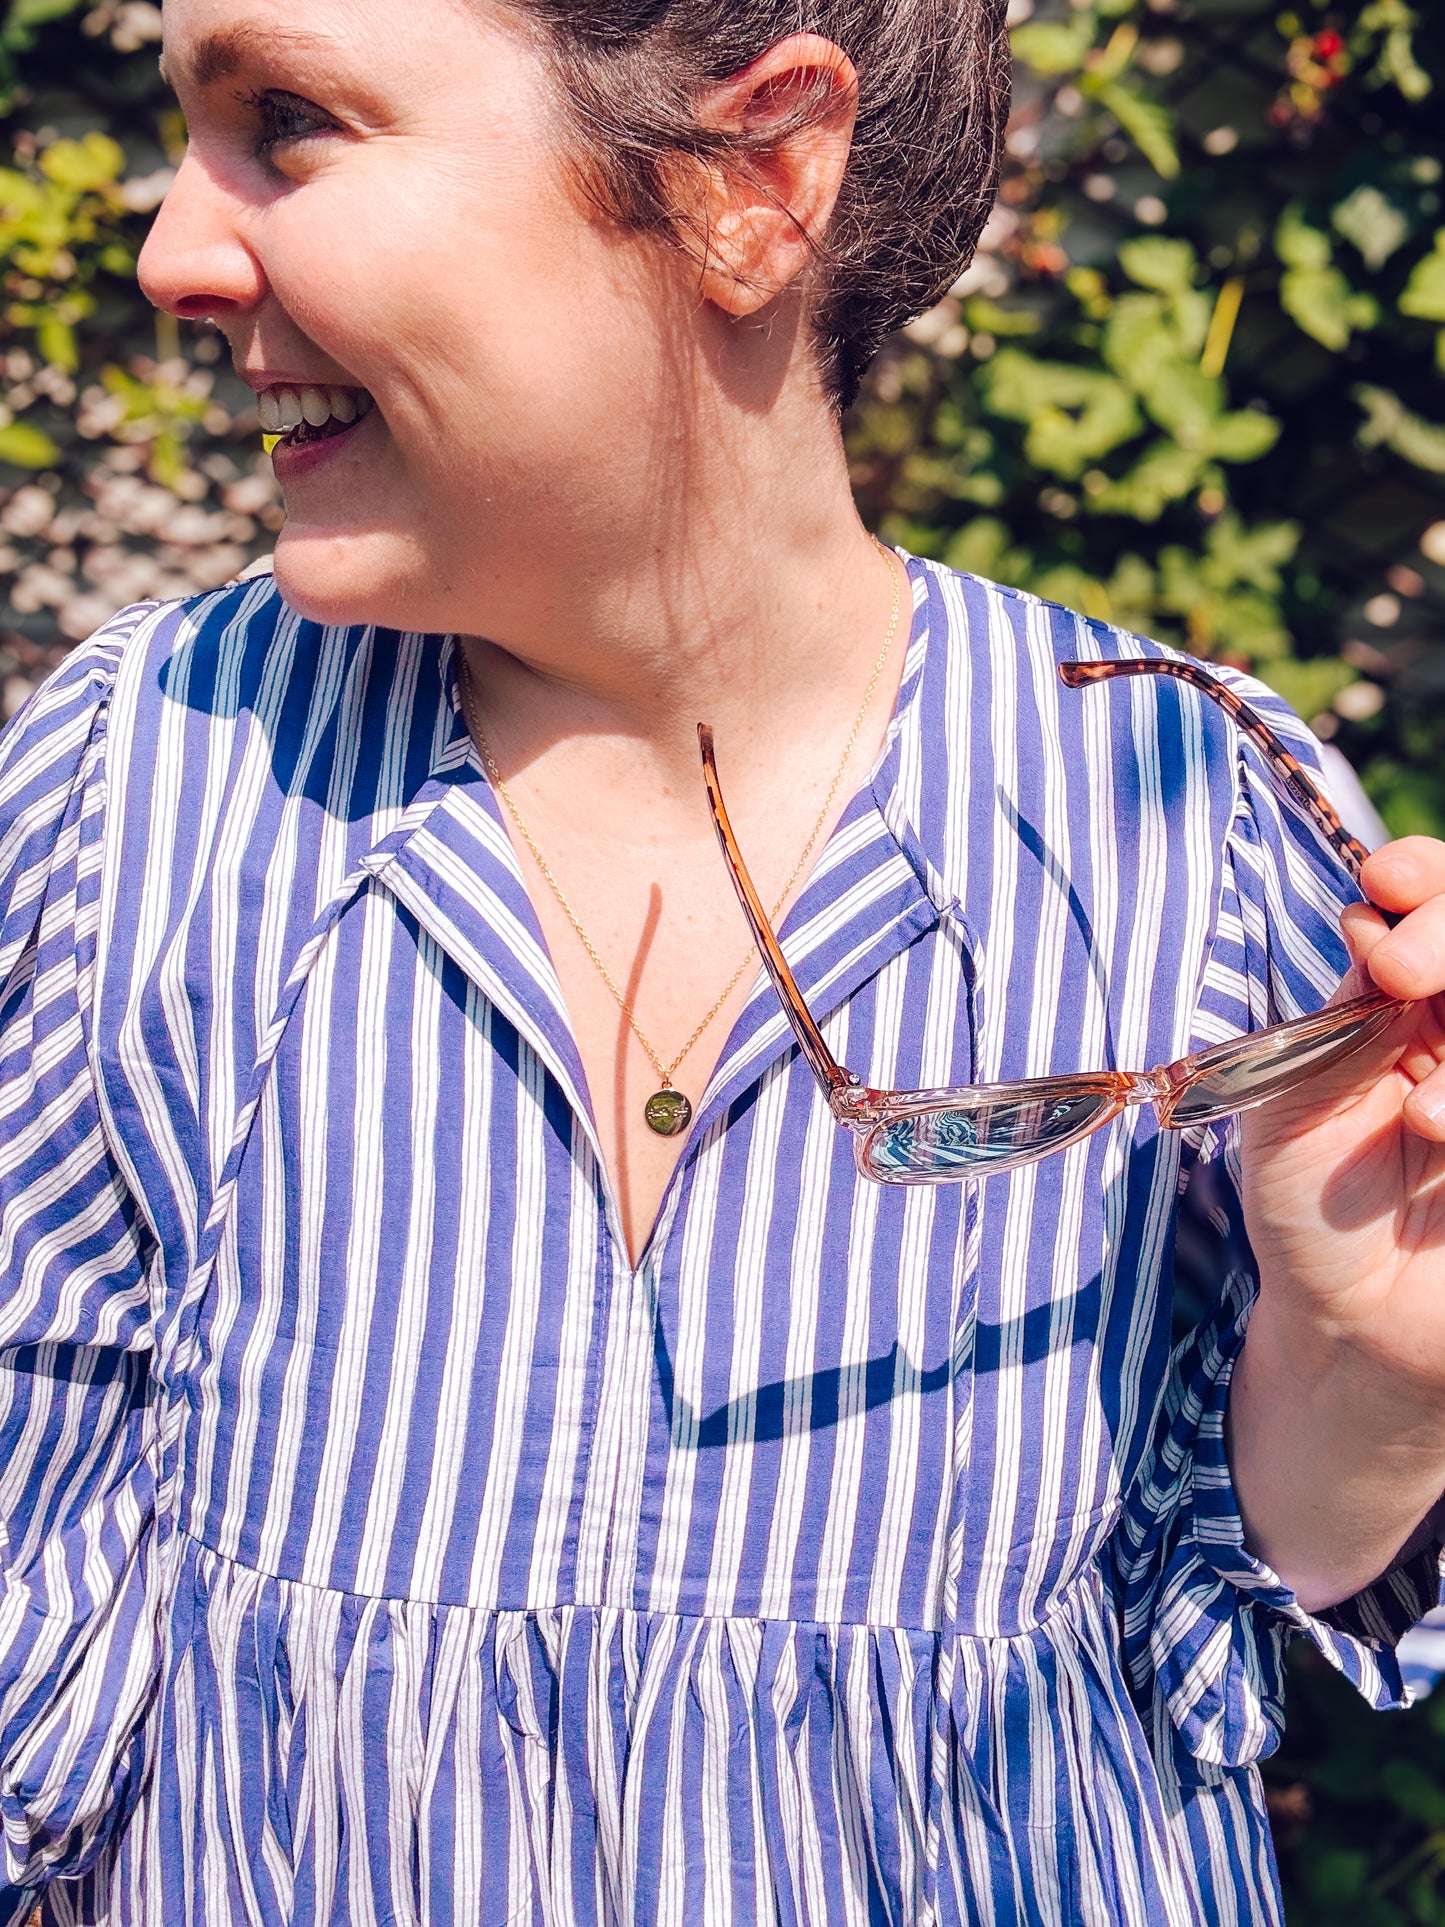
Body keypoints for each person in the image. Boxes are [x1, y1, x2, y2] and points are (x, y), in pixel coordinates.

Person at [1, 0, 1444, 1920]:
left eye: (291, 120)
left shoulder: (1193, 821)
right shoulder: (145, 786)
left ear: (750, 175)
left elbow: (1206, 1639)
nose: (172, 251)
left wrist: (1371, 1370)